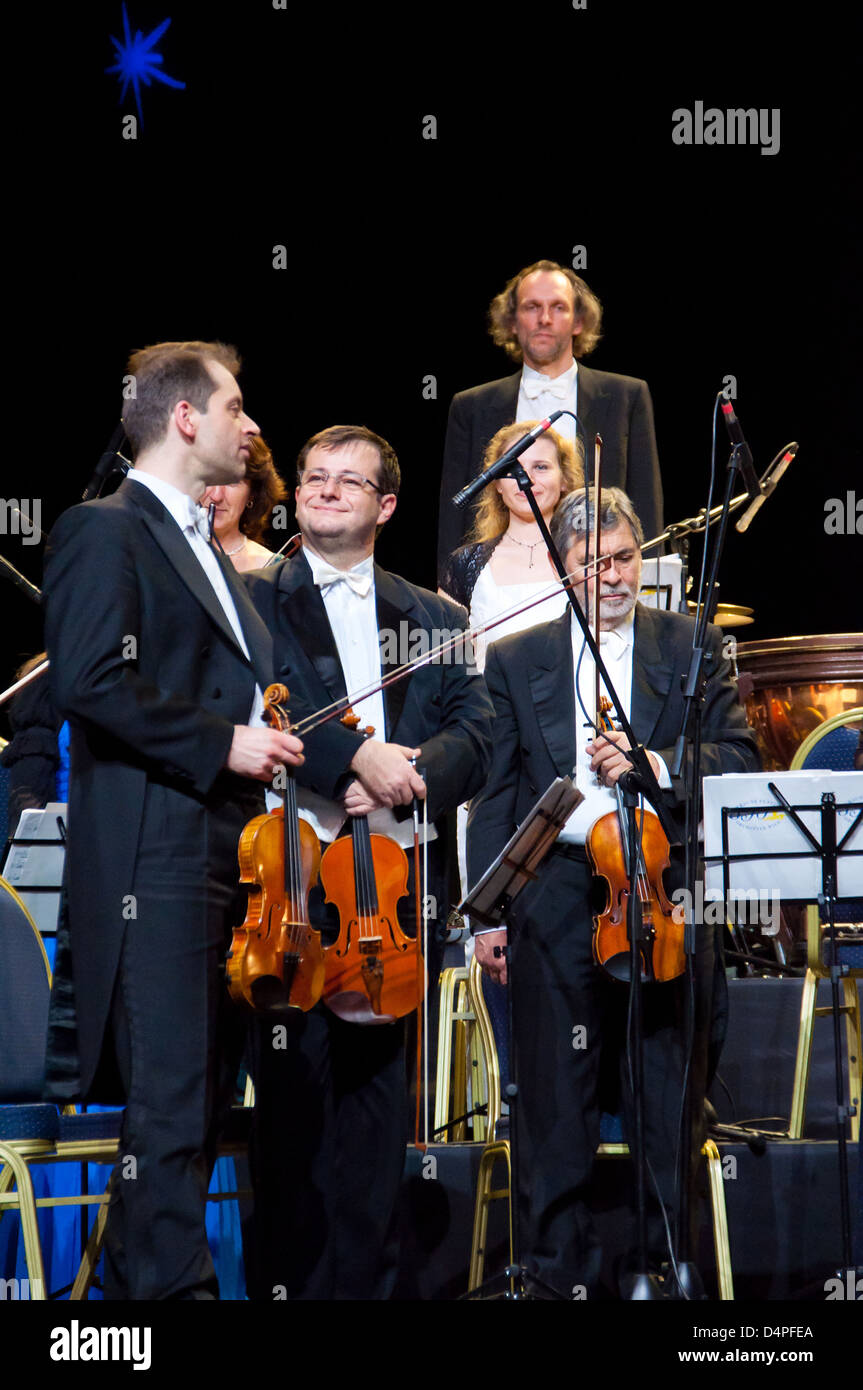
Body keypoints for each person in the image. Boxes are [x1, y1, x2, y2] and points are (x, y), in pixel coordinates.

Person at [41, 340, 310, 1301]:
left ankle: (126, 1298)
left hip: (223, 854)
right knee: (171, 1104)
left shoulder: (217, 557)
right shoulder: (102, 529)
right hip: (156, 853)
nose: (250, 425)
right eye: (235, 406)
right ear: (185, 418)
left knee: (196, 1105)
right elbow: (88, 680)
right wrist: (221, 742)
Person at [466, 486, 760, 1298]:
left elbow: (737, 760)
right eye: (591, 563)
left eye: (624, 558)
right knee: (553, 1099)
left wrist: (657, 765)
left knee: (666, 1088)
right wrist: (483, 914)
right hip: (554, 889)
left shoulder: (691, 644)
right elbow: (496, 794)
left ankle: (666, 1267)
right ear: (563, 568)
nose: (610, 576)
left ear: (643, 560)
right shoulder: (516, 656)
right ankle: (556, 1275)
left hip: (660, 888)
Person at [245, 423, 494, 1300]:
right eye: (313, 478)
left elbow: (477, 730)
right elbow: (262, 707)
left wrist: (406, 775)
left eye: (346, 482)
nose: (322, 490)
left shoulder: (437, 616)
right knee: (289, 1106)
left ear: (384, 505)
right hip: (295, 879)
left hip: (398, 882)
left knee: (378, 1105)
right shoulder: (251, 598)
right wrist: (351, 760)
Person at [438, 259, 664, 575]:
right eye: (532, 307)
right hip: (502, 578)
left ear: (578, 321)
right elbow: (455, 517)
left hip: (598, 577)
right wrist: (451, 595)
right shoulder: (471, 405)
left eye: (558, 307)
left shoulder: (627, 395)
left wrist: (650, 587)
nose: (544, 319)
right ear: (512, 321)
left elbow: (645, 506)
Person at [439, 420, 583, 670]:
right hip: (492, 707)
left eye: (541, 467)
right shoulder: (465, 564)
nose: (525, 478)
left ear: (564, 480)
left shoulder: (588, 556)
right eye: (512, 467)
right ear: (496, 483)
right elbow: (447, 662)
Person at [201, 433, 287, 572]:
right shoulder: (162, 550)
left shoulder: (276, 570)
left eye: (232, 481)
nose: (217, 496)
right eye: (210, 477)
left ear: (252, 494)